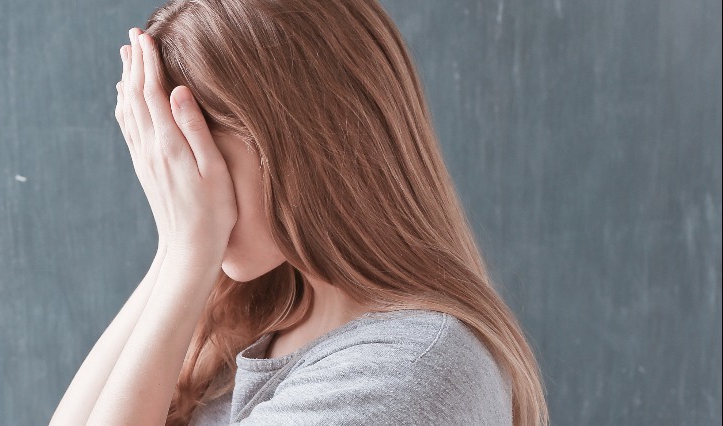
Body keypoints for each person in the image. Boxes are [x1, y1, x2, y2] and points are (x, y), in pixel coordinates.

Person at [50, 0, 548, 425]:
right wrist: (175, 253)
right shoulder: (252, 320)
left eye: (198, 158)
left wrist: (188, 250)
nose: (183, 192)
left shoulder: (413, 368)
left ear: (311, 145)